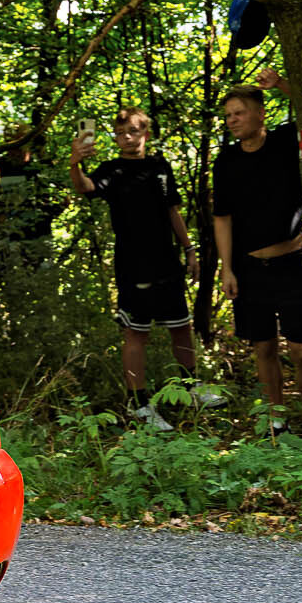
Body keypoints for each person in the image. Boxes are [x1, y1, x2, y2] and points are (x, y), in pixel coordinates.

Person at [70, 108, 213, 429]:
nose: (127, 138)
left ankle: (191, 388)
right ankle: (139, 404)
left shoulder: (160, 166)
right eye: (121, 133)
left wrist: (190, 250)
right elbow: (85, 187)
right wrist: (75, 162)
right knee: (136, 333)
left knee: (181, 326)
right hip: (133, 264)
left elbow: (173, 210)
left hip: (167, 261)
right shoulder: (112, 170)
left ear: (145, 133)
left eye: (133, 131)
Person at [213, 69, 302, 440]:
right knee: (263, 347)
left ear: (260, 113)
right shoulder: (226, 160)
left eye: (239, 113)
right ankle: (276, 422)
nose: (232, 120)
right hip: (248, 269)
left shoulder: (283, 141)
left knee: (301, 349)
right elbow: (222, 217)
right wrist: (227, 269)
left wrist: (280, 84)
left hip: (289, 264)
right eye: (228, 115)